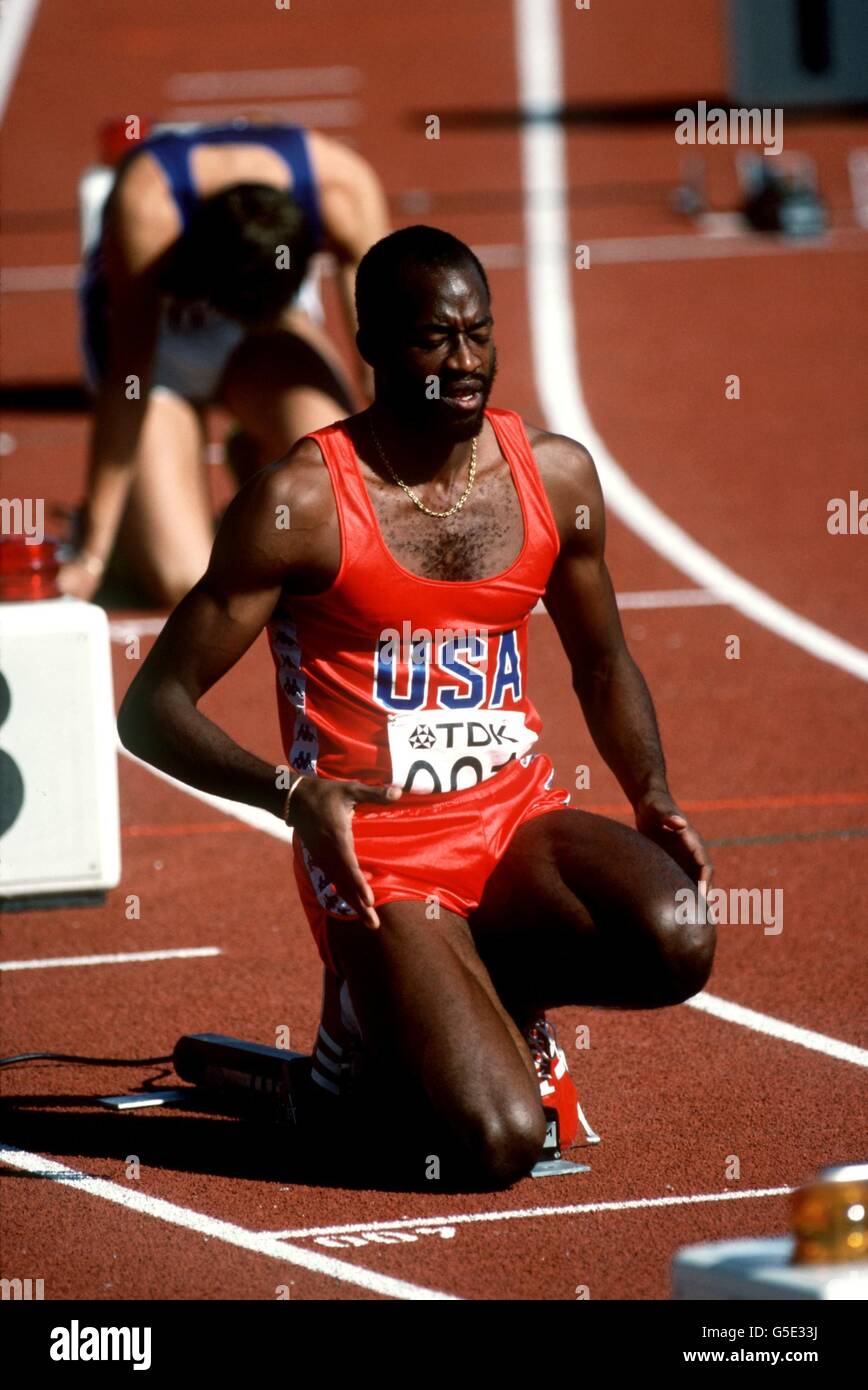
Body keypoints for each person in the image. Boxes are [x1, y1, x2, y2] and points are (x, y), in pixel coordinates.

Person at [118, 225, 715, 1188]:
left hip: (513, 823)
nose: (466, 362)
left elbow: (604, 662)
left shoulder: (555, 478)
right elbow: (152, 708)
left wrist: (651, 794)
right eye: (435, 339)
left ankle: (463, 1000)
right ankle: (343, 1064)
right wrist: (291, 794)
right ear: (373, 347)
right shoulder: (303, 505)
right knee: (500, 1143)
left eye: (479, 333)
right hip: (379, 862)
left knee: (680, 936)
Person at [60, 120, 389, 606]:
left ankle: (254, 456)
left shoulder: (343, 188)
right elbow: (127, 379)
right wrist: (91, 556)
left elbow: (383, 357)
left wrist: (406, 494)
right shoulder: (148, 207)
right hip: (160, 347)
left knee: (343, 488)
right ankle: (122, 526)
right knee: (184, 582)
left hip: (268, 340)